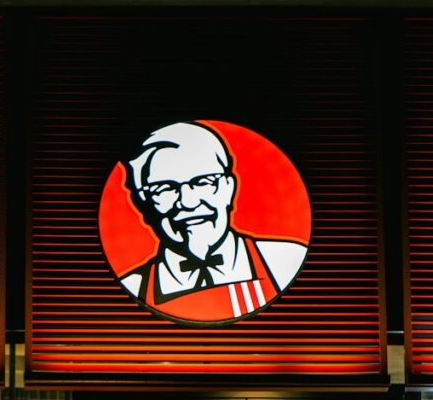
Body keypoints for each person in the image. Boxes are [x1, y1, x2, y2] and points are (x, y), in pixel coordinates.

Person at [121, 121, 307, 323]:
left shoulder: (283, 260)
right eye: (165, 189)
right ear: (142, 203)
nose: (188, 202)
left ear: (229, 187)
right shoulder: (133, 285)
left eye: (203, 182)